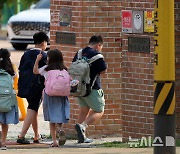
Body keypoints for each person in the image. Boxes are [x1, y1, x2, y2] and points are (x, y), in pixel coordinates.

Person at [72, 35, 107, 143]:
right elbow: (103, 70)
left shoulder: (79, 53)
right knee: (99, 110)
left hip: (78, 88)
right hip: (93, 88)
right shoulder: (97, 56)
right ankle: (83, 126)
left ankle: (81, 136)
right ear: (98, 45)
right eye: (101, 47)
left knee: (84, 111)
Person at [33, 49, 70, 147]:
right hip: (62, 95)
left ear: (51, 58)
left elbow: (35, 71)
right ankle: (60, 129)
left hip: (50, 95)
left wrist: (37, 60)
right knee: (59, 116)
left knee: (51, 118)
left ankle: (54, 141)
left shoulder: (47, 69)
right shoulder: (64, 69)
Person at [17, 32, 49, 144]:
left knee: (33, 109)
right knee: (32, 108)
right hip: (36, 86)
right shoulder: (43, 55)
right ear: (43, 42)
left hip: (24, 85)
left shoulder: (25, 54)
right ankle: (21, 135)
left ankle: (36, 135)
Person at [0, 48, 19, 150]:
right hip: (6, 100)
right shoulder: (11, 70)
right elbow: (16, 78)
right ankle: (3, 142)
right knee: (4, 123)